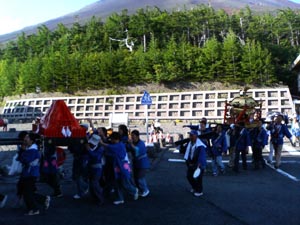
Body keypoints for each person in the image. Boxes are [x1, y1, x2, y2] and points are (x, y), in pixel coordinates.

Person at [100, 132, 138, 205]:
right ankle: (120, 198)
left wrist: (102, 143)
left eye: (112, 139)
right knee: (117, 183)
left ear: (116, 139)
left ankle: (133, 191)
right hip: (118, 166)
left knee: (124, 183)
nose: (111, 140)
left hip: (122, 167)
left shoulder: (119, 145)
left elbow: (110, 147)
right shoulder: (119, 144)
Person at [18, 132, 50, 216]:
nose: (25, 139)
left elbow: (24, 160)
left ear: (31, 141)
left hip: (30, 174)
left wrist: (23, 151)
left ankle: (34, 209)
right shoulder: (32, 149)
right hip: (30, 173)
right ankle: (43, 200)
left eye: (27, 138)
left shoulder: (32, 150)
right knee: (28, 192)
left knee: (27, 193)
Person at [183, 130, 207, 197]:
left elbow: (202, 156)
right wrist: (188, 162)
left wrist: (199, 164)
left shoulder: (200, 145)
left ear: (196, 136)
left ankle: (199, 191)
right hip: (191, 162)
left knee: (199, 178)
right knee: (189, 176)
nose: (190, 137)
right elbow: (187, 153)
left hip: (198, 164)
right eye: (190, 135)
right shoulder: (190, 143)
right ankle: (195, 187)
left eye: (192, 135)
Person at [128, 129, 150, 197]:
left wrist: (130, 144)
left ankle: (145, 190)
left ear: (137, 136)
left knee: (140, 178)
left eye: (133, 136)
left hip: (142, 163)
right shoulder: (134, 143)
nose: (132, 137)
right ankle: (141, 190)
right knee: (136, 177)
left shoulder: (141, 143)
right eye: (131, 136)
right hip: (136, 163)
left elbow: (137, 150)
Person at [87, 134, 105, 206]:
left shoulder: (100, 148)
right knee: (92, 184)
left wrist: (89, 150)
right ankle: (95, 197)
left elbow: (96, 157)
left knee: (95, 183)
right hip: (91, 167)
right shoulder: (95, 147)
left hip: (97, 167)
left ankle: (100, 198)